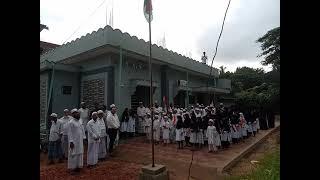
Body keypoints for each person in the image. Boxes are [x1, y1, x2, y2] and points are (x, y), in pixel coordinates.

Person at [68, 109, 86, 174]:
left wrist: (84, 138)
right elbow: (69, 133)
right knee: (74, 154)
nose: (78, 114)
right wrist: (71, 141)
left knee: (80, 153)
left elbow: (82, 130)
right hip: (74, 141)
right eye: (76, 113)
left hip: (80, 141)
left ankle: (78, 166)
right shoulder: (71, 122)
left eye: (78, 113)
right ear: (73, 114)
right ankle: (73, 168)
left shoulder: (80, 121)